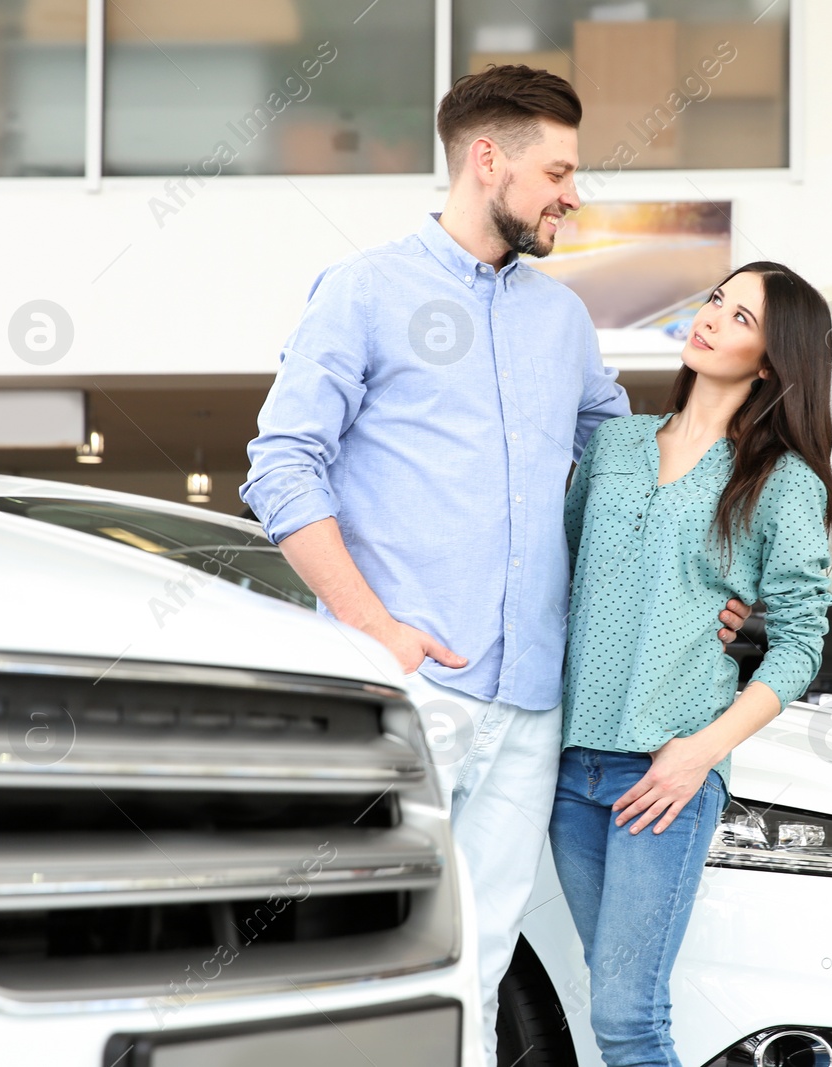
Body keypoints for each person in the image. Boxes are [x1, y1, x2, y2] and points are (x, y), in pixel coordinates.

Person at [239, 65, 748, 1067]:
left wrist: (708, 579)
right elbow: (281, 465)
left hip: (528, 699)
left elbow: (634, 474)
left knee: (476, 959)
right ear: (487, 158)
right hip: (410, 685)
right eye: (558, 170)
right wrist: (375, 630)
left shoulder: (559, 321)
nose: (572, 193)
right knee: (362, 958)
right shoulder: (367, 290)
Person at [552, 262, 832, 1067]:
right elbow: (564, 581)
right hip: (569, 774)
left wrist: (698, 753)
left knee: (627, 1017)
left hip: (664, 775)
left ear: (774, 361)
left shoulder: (783, 484)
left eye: (742, 317)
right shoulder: (613, 444)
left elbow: (801, 645)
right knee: (614, 1002)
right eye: (718, 299)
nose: (713, 317)